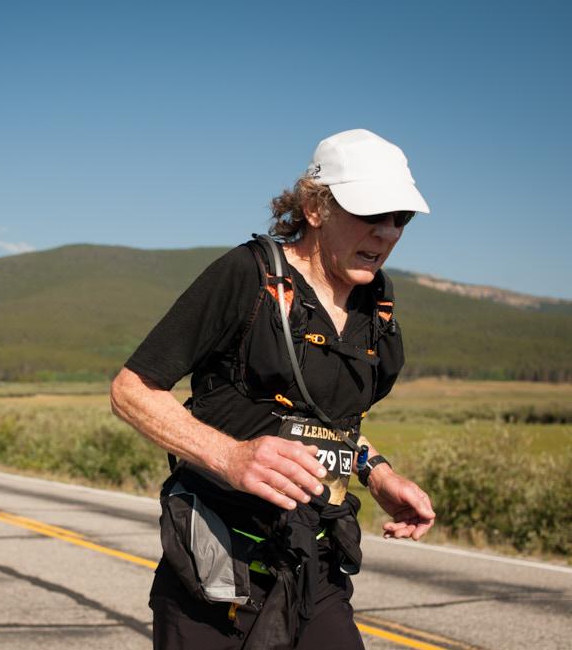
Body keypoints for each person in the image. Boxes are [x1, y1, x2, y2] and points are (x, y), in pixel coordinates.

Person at [111, 129, 436, 650]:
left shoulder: (377, 309)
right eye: (370, 214)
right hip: (213, 568)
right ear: (314, 206)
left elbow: (335, 428)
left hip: (316, 566)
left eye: (400, 219)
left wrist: (379, 476)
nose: (387, 233)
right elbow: (131, 390)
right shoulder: (249, 276)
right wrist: (231, 456)